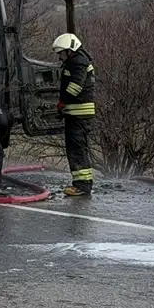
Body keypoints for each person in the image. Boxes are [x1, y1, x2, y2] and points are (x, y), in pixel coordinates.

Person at [52, 32, 96, 196]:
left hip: (79, 114)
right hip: (76, 114)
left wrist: (62, 101)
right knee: (76, 148)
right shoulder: (78, 61)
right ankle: (81, 184)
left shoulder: (78, 63)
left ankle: (82, 186)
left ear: (69, 50)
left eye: (61, 53)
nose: (60, 57)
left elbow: (75, 87)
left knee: (78, 150)